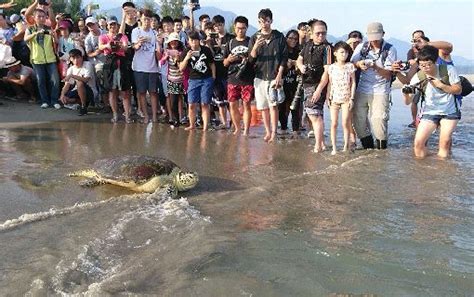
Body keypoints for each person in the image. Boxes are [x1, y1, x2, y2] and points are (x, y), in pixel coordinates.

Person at [401, 45, 461, 159]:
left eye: (429, 64)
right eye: (422, 65)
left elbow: (458, 90)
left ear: (436, 61)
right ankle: (423, 170)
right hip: (429, 112)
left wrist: (441, 85)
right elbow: (408, 102)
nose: (426, 68)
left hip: (450, 111)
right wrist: (405, 94)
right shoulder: (418, 76)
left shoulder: (447, 70)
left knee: (445, 142)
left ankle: (442, 170)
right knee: (418, 143)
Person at [350, 22, 397, 150]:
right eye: (372, 38)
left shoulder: (390, 49)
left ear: (383, 34)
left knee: (379, 121)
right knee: (358, 120)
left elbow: (388, 74)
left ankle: (382, 152)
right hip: (362, 88)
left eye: (377, 37)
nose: (374, 41)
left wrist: (375, 66)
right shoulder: (362, 47)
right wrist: (359, 64)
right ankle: (368, 149)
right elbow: (352, 64)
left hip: (381, 89)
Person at [248, 8, 288, 143]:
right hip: (259, 76)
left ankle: (274, 132)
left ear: (271, 21)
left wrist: (279, 75)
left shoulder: (278, 36)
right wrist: (254, 48)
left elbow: (284, 57)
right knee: (263, 106)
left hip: (274, 76)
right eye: (261, 21)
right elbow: (250, 60)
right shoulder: (254, 37)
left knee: (273, 105)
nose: (263, 24)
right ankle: (267, 131)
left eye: (266, 21)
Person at [296, 19, 331, 152]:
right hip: (306, 83)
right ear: (311, 33)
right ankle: (321, 143)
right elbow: (299, 58)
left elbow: (327, 71)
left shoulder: (326, 48)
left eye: (323, 33)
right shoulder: (307, 45)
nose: (321, 36)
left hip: (317, 84)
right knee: (316, 114)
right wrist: (300, 66)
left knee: (314, 114)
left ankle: (318, 145)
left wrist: (319, 90)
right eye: (318, 33)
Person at [223, 15, 255, 136]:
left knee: (246, 105)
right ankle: (237, 128)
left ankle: (246, 130)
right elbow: (224, 63)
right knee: (232, 104)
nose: (240, 30)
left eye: (243, 28)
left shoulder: (250, 42)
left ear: (246, 28)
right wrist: (229, 59)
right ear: (234, 28)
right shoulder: (230, 43)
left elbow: (254, 60)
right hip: (232, 78)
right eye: (238, 28)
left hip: (247, 78)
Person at [24, 8, 61, 109]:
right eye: (39, 16)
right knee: (41, 80)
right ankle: (45, 101)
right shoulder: (30, 28)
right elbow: (25, 39)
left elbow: (56, 42)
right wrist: (35, 33)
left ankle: (54, 100)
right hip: (36, 59)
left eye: (43, 16)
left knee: (55, 80)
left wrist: (54, 36)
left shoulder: (49, 28)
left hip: (50, 58)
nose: (41, 18)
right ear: (34, 18)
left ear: (46, 18)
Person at [179, 31, 216, 131]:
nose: (194, 43)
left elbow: (212, 64)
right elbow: (181, 68)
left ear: (199, 41)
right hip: (193, 80)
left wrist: (213, 77)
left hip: (206, 79)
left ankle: (205, 127)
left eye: (196, 40)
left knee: (205, 103)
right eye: (191, 40)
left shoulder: (206, 50)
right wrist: (187, 58)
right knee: (191, 104)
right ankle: (192, 125)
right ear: (189, 42)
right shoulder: (186, 51)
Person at [99, 15, 132, 123]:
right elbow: (100, 47)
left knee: (125, 92)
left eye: (114, 24)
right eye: (110, 24)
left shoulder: (122, 36)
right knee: (112, 91)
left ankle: (127, 116)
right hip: (110, 64)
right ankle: (115, 115)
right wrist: (107, 46)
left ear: (117, 25)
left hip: (121, 64)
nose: (112, 26)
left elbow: (126, 47)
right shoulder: (103, 36)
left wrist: (120, 46)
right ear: (107, 26)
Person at [326, 41, 356, 155]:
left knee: (345, 123)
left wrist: (352, 98)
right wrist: (328, 96)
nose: (344, 55)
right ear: (335, 53)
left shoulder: (350, 66)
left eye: (346, 52)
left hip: (346, 99)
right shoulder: (332, 67)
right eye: (342, 52)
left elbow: (353, 83)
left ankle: (345, 146)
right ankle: (334, 148)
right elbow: (330, 83)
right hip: (334, 99)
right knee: (333, 123)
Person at [131, 9, 160, 123]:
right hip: (139, 67)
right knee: (141, 92)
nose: (147, 21)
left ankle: (154, 116)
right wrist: (139, 43)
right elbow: (134, 46)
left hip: (152, 67)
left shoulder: (154, 33)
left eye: (149, 19)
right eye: (144, 19)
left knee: (153, 92)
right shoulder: (136, 31)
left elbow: (158, 49)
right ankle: (146, 116)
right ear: (140, 19)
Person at [59, 49, 97, 116]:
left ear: (82, 57)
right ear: (70, 59)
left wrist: (72, 75)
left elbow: (85, 80)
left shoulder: (87, 64)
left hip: (90, 90)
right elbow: (67, 85)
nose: (76, 60)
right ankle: (82, 102)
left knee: (80, 83)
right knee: (64, 99)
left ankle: (83, 106)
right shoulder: (71, 69)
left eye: (78, 57)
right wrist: (62, 95)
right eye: (73, 58)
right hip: (77, 91)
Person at [160, 32, 186, 126]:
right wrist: (166, 57)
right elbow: (161, 62)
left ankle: (182, 117)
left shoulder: (182, 51)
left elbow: (182, 66)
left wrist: (178, 58)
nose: (174, 43)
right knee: (173, 101)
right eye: (172, 42)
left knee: (181, 99)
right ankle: (175, 119)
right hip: (171, 79)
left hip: (181, 79)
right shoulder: (167, 51)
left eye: (175, 41)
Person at [279, 29, 300, 135]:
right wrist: (287, 66)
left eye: (296, 39)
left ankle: (295, 131)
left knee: (295, 108)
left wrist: (296, 64)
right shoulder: (282, 51)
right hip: (283, 83)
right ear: (286, 38)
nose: (293, 40)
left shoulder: (299, 52)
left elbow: (302, 68)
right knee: (282, 108)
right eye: (290, 38)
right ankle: (283, 129)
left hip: (295, 84)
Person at [84, 16, 106, 106]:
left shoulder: (105, 33)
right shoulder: (88, 38)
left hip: (107, 60)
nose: (91, 28)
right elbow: (88, 54)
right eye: (89, 26)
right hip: (96, 62)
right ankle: (99, 101)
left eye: (92, 25)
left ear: (97, 24)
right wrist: (96, 52)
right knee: (99, 81)